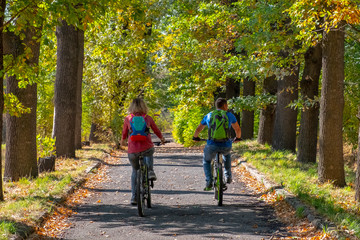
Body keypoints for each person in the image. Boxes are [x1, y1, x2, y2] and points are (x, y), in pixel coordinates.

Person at [121, 98, 166, 205]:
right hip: (147, 147)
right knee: (150, 151)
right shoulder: (147, 118)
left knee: (135, 171)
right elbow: (156, 130)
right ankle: (150, 171)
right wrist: (162, 139)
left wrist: (122, 141)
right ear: (144, 107)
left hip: (133, 151)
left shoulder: (128, 118)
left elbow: (124, 132)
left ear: (131, 107)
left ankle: (134, 197)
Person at [193, 98, 241, 191]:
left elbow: (199, 129)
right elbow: (237, 129)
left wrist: (195, 137)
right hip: (226, 144)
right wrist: (238, 138)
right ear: (224, 106)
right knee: (226, 155)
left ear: (216, 106)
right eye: (227, 106)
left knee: (206, 161)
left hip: (211, 145)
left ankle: (209, 181)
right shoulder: (229, 115)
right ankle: (228, 176)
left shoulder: (209, 115)